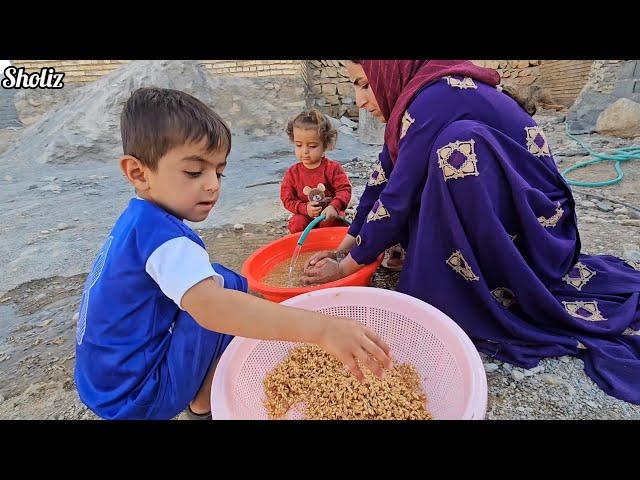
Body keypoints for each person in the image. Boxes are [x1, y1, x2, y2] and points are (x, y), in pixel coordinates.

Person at [303, 60, 640, 404]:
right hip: (512, 215)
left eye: (362, 84)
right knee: (429, 160)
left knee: (456, 145)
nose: (359, 100)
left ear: (388, 71)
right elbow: (383, 179)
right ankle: (454, 260)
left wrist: (345, 269)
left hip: (540, 227)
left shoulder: (431, 99)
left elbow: (398, 196)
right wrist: (343, 249)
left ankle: (488, 278)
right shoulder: (414, 103)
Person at [74, 87, 392, 420]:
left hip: (102, 382)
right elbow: (215, 310)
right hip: (138, 395)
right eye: (195, 172)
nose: (212, 185)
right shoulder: (165, 239)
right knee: (226, 294)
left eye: (218, 171)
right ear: (138, 173)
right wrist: (324, 330)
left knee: (221, 278)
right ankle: (203, 407)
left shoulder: (137, 220)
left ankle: (199, 399)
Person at [280, 108, 351, 233]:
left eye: (312, 146)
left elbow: (344, 190)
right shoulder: (292, 173)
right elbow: (287, 199)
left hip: (329, 214)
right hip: (305, 215)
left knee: (329, 223)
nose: (305, 151)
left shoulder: (332, 168)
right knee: (297, 223)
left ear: (325, 144)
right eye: (298, 145)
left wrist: (334, 206)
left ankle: (331, 250)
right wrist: (304, 208)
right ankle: (303, 250)